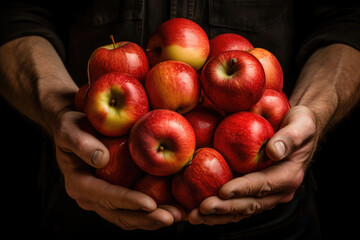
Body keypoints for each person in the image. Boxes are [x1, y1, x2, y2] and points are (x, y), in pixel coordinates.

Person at [0, 0, 359, 239]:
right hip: (86, 201)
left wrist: (313, 112)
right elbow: (15, 14)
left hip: (271, 217)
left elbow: (347, 22)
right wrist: (57, 111)